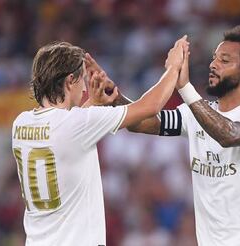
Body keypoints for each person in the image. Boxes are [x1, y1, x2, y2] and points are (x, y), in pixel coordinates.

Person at [88, 25, 240, 245]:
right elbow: (140, 122)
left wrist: (184, 87)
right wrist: (111, 94)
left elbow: (229, 134)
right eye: (214, 58)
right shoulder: (196, 113)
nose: (213, 64)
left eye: (225, 60)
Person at [11, 37, 188, 246]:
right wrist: (173, 68)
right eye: (82, 80)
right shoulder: (77, 124)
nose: (85, 90)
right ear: (70, 81)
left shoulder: (21, 124)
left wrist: (93, 104)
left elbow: (65, 135)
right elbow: (150, 107)